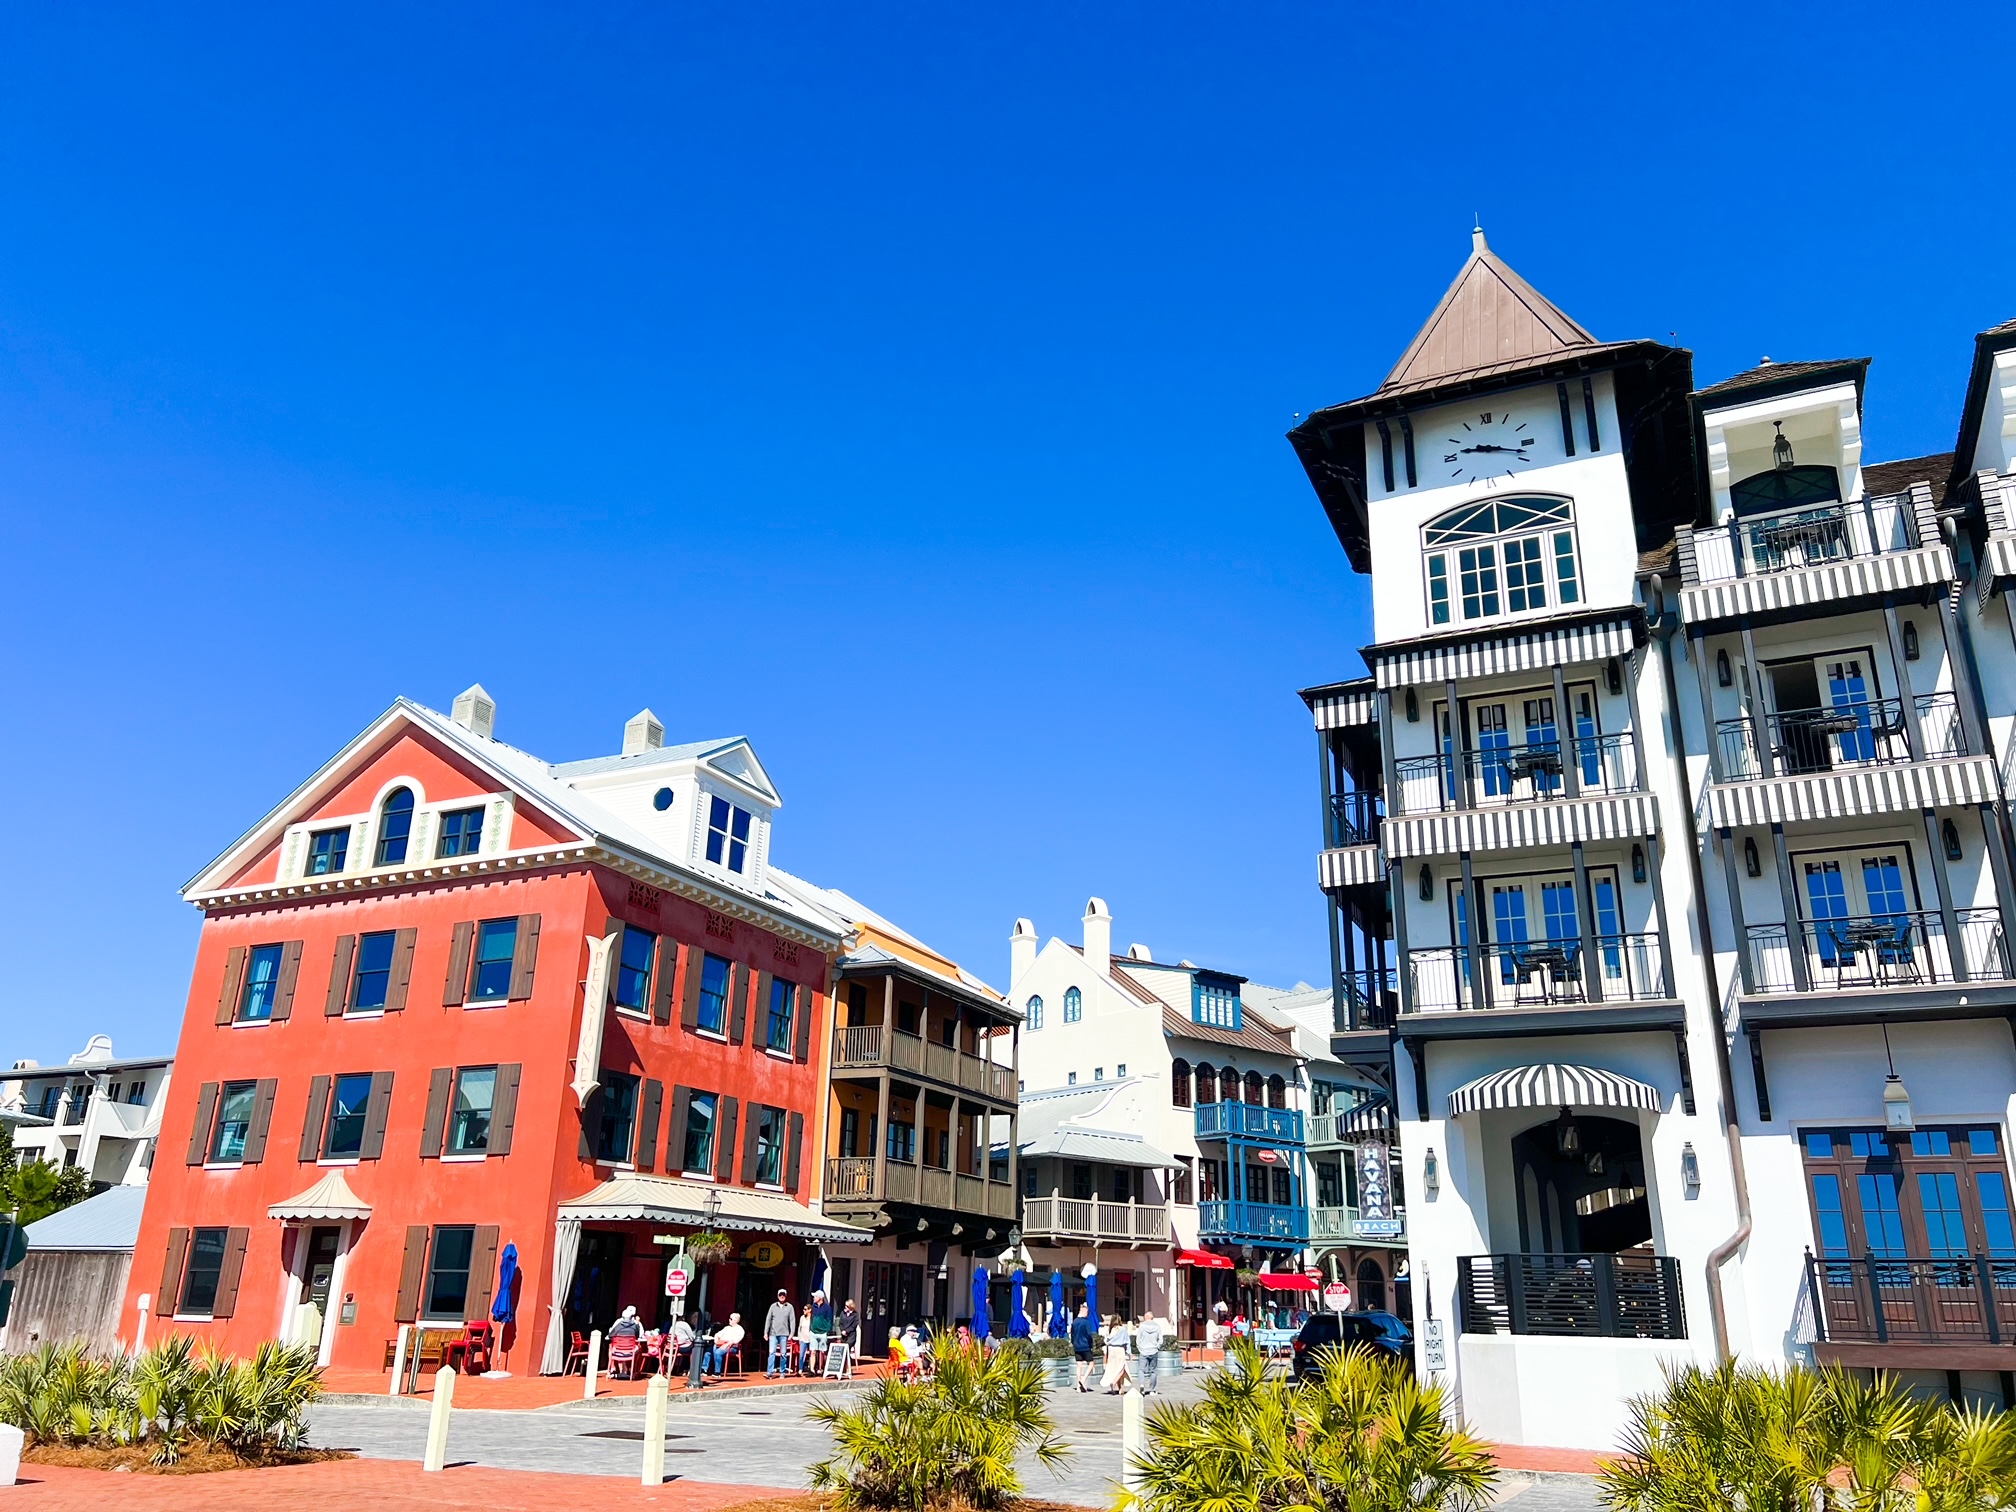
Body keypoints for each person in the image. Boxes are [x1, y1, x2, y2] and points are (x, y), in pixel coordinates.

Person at [763, 1289, 796, 1378]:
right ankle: (770, 1372)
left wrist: (792, 1333)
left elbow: (792, 1320)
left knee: (783, 1353)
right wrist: (766, 1332)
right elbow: (768, 1319)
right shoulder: (773, 1306)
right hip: (773, 1333)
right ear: (777, 1296)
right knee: (771, 1352)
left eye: (783, 1295)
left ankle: (782, 1372)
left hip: (784, 1334)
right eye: (780, 1295)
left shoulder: (789, 1307)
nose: (782, 1296)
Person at [1134, 1311, 1167, 1395]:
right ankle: (1152, 1389)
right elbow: (1161, 1340)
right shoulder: (1157, 1326)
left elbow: (1138, 1339)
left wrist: (1139, 1347)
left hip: (1143, 1350)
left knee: (1141, 1370)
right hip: (1153, 1350)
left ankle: (1142, 1385)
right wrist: (1157, 1346)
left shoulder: (1142, 1326)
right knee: (1153, 1371)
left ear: (1145, 1317)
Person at [1069, 1303, 1098, 1392]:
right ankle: (1083, 1379)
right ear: (1084, 1312)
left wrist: (1073, 1343)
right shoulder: (1086, 1322)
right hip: (1085, 1346)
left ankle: (1078, 1386)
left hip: (1077, 1346)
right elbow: (1089, 1335)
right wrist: (1091, 1345)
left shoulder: (1074, 1322)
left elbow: (1072, 1334)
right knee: (1091, 1363)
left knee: (1079, 1365)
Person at [1102, 1314, 1132, 1394]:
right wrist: (1129, 1353)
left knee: (1116, 1368)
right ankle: (1114, 1382)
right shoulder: (1123, 1329)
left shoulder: (1110, 1330)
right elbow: (1127, 1342)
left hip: (1111, 1349)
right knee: (1122, 1368)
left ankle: (1121, 1389)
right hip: (1119, 1349)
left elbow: (1106, 1341)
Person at [808, 1290, 833, 1373]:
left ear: (820, 1298)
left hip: (822, 1333)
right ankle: (812, 1369)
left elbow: (829, 1320)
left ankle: (822, 1368)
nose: (814, 1298)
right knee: (813, 1351)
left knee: (823, 1352)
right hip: (813, 1332)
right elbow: (811, 1317)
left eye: (815, 1296)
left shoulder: (827, 1308)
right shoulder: (813, 1306)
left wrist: (827, 1330)